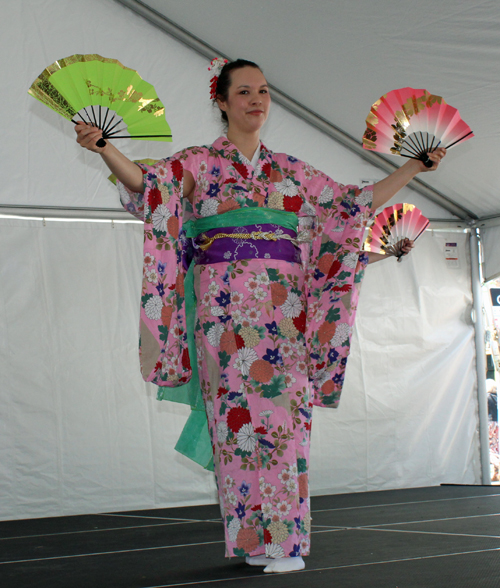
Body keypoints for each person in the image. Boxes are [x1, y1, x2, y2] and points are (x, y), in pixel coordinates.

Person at [75, 58, 446, 573]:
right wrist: (105, 149)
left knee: (284, 425)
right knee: (237, 429)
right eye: (244, 91)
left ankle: (287, 544)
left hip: (284, 318)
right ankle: (254, 541)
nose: (256, 100)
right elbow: (148, 187)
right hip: (222, 318)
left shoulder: (291, 171)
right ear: (221, 102)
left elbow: (350, 206)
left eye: (264, 92)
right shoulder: (199, 164)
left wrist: (412, 168)